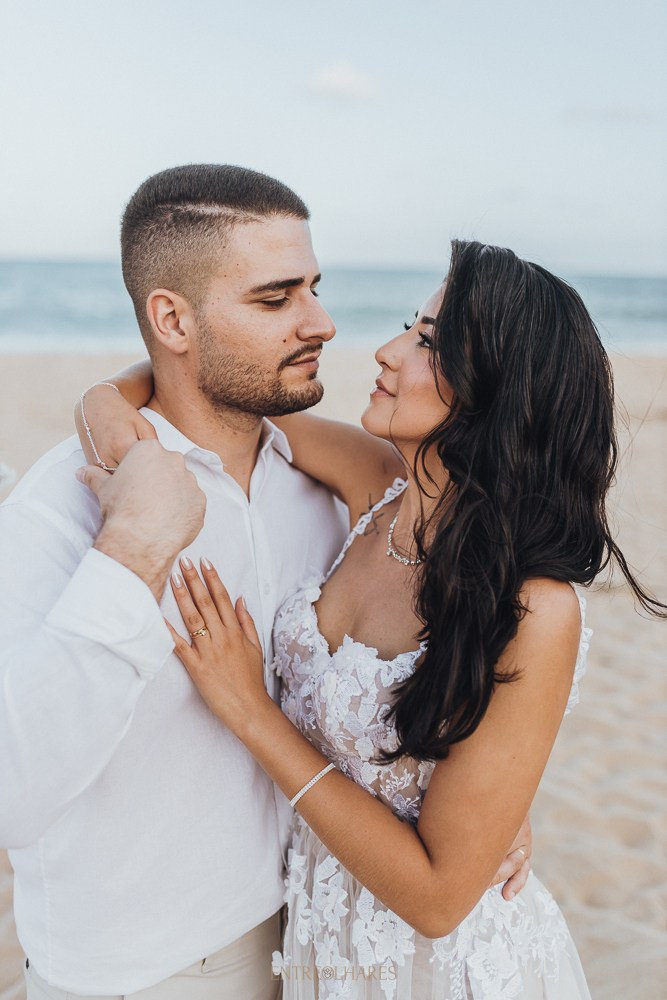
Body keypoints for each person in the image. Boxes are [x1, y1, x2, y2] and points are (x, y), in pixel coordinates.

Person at [78, 239, 667, 998]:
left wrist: (253, 713)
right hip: (324, 951)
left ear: (494, 388)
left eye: (426, 341)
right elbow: (202, 398)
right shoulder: (375, 486)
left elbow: (436, 898)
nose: (386, 352)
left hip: (445, 973)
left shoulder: (534, 607)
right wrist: (101, 402)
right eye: (406, 325)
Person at [0, 167, 529, 1000]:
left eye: (314, 289)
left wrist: (480, 795)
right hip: (143, 969)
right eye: (276, 298)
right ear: (170, 318)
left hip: (315, 941)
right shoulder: (62, 505)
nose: (321, 322)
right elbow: (11, 792)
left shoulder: (339, 489)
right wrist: (132, 549)